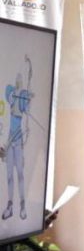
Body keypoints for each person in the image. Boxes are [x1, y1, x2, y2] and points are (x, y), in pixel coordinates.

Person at [2, 55, 34, 221]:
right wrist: (19, 95)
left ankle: (22, 206)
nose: (19, 80)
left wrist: (27, 98)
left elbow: (26, 112)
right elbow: (8, 93)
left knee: (20, 174)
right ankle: (10, 206)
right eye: (17, 77)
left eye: (21, 78)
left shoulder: (23, 96)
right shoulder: (10, 92)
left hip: (18, 140)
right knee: (9, 175)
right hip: (10, 139)